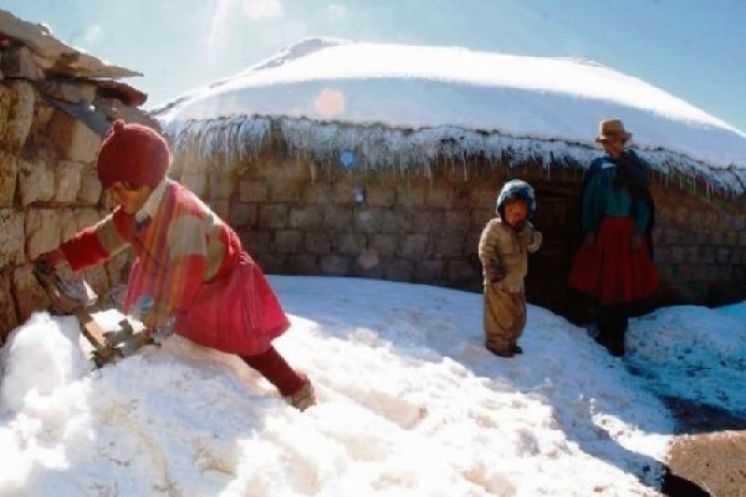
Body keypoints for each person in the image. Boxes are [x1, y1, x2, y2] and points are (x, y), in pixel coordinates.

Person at [37, 120, 315, 410]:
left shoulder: (183, 213)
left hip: (220, 281)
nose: (116, 197)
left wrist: (163, 308)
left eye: (123, 189)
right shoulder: (134, 210)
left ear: (146, 182)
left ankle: (295, 386)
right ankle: (146, 342)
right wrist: (62, 255)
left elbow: (187, 271)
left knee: (249, 345)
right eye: (112, 189)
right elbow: (102, 239)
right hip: (172, 275)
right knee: (146, 313)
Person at [568, 118, 659, 357]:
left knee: (623, 282)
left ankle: (617, 334)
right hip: (605, 232)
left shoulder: (634, 168)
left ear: (622, 141)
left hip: (627, 234)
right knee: (603, 280)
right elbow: (588, 201)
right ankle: (603, 330)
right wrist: (589, 229)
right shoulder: (599, 168)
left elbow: (642, 204)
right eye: (606, 143)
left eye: (614, 142)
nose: (610, 146)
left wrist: (639, 232)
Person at [478, 179, 542, 358]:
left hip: (517, 282)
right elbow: (485, 249)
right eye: (511, 211)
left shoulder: (526, 229)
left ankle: (511, 341)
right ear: (502, 209)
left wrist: (528, 236)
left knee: (517, 316)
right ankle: (497, 343)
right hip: (498, 282)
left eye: (520, 213)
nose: (515, 215)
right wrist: (491, 268)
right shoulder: (495, 228)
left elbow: (534, 245)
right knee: (499, 316)